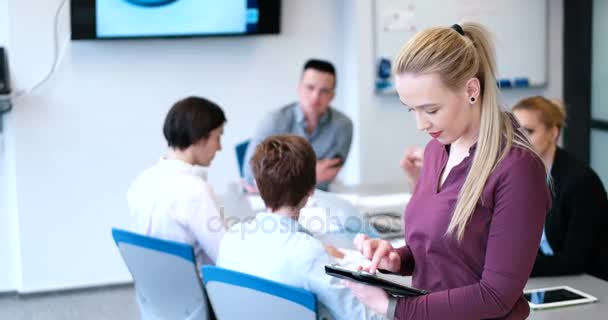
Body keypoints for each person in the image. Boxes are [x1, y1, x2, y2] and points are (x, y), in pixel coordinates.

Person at [342, 23, 550, 319]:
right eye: (410, 109)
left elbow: (495, 296)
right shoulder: (437, 151)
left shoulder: (517, 170)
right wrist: (397, 259)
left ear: (471, 90)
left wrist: (392, 307)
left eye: (431, 109)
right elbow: (444, 253)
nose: (421, 124)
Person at [217, 135, 381, 320]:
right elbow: (362, 317)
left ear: (257, 186)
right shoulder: (306, 253)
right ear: (311, 189)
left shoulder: (230, 238)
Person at [513, 96, 608, 281]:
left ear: (553, 133)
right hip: (555, 278)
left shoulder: (581, 183)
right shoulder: (524, 174)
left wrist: (513, 270)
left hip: (592, 284)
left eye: (529, 131)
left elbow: (574, 260)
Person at [127, 96, 226, 267]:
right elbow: (225, 256)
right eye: (217, 137)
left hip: (155, 290)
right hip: (198, 290)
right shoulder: (194, 190)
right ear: (200, 138)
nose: (219, 147)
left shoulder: (142, 181)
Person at [242, 59, 353, 191]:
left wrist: (281, 171)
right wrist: (311, 173)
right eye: (310, 87)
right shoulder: (274, 120)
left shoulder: (343, 126)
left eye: (324, 91)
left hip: (317, 201)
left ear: (332, 96)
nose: (315, 96)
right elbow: (250, 176)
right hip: (273, 203)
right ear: (299, 88)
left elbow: (328, 174)